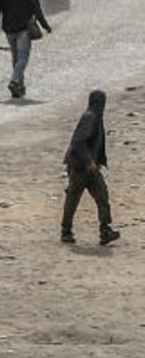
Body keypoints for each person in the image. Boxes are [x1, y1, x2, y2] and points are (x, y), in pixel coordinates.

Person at [61, 90, 120, 246]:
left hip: (91, 168)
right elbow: (78, 142)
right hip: (80, 167)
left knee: (102, 195)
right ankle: (66, 231)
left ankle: (105, 230)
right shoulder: (90, 118)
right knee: (73, 199)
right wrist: (88, 160)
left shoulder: (95, 118)